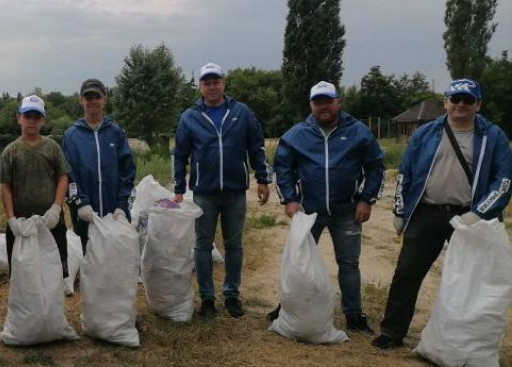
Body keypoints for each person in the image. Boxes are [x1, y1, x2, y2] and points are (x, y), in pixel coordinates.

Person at [372, 78, 512, 349]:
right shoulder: (425, 133)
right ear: (445, 102)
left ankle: (466, 340)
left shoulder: (493, 137)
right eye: (455, 99)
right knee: (407, 274)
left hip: (469, 218)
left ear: (478, 105)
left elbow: (504, 181)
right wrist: (400, 211)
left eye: (468, 100)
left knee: (471, 278)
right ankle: (392, 331)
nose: (461, 105)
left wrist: (480, 213)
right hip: (427, 213)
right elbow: (406, 173)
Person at [272, 81, 384, 333]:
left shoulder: (359, 132)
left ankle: (354, 315)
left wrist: (367, 199)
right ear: (311, 105)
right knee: (296, 261)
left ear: (338, 102)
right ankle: (287, 308)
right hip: (308, 212)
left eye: (328, 101)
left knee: (348, 264)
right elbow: (282, 168)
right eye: (317, 102)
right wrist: (289, 198)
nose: (323, 106)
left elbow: (376, 166)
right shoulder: (297, 134)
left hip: (347, 211)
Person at [172, 63, 270, 318]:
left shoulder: (241, 113)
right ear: (200, 87)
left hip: (235, 191)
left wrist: (262, 178)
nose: (212, 86)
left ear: (224, 84)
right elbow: (180, 154)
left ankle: (231, 295)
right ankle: (206, 298)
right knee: (202, 245)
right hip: (204, 191)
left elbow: (256, 146)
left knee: (234, 245)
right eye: (207, 82)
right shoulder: (189, 117)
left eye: (216, 81)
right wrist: (179, 189)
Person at [62, 78, 136, 253]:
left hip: (114, 213)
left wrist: (122, 204)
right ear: (81, 101)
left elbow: (128, 171)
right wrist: (80, 202)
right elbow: (66, 175)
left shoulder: (116, 133)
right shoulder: (71, 135)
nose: (93, 101)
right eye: (88, 97)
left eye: (97, 96)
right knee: (90, 262)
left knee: (115, 260)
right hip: (85, 214)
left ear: (105, 99)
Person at [0, 95, 70, 277]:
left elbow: (63, 177)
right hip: (22, 225)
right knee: (23, 276)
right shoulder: (10, 151)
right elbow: (5, 186)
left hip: (52, 223)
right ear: (18, 118)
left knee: (54, 274)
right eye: (27, 116)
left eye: (36, 117)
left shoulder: (53, 147)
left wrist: (57, 207)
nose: (32, 121)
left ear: (43, 120)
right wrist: (11, 219)